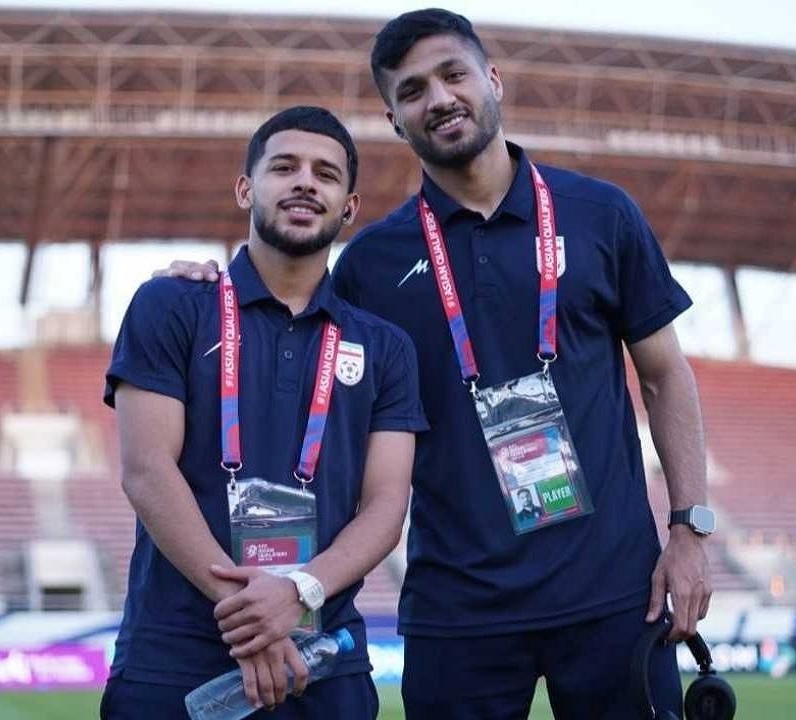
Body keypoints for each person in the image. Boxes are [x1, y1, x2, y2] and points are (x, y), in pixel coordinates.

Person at [162, 9, 714, 718]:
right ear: (395, 120)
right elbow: (285, 325)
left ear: (493, 79)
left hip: (615, 594)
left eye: (454, 74)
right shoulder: (370, 264)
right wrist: (208, 288)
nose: (440, 98)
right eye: (413, 90)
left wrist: (689, 529)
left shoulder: (600, 214)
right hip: (456, 607)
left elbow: (665, 376)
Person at [103, 106, 427, 719]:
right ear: (245, 189)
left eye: (326, 174)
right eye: (284, 167)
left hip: (324, 661)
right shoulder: (169, 305)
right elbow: (146, 470)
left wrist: (298, 593)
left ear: (349, 207)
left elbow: (387, 505)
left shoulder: (385, 347)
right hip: (175, 654)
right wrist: (255, 615)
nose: (305, 182)